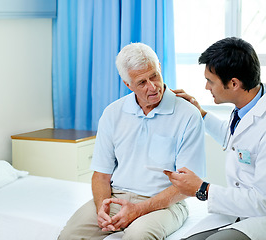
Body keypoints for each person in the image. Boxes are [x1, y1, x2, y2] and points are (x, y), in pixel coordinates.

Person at [58, 42, 206, 240]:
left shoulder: (188, 115)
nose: (152, 87)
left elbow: (187, 186)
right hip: (116, 197)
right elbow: (101, 175)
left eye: (154, 75)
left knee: (137, 236)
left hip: (165, 205)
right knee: (69, 236)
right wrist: (103, 207)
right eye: (141, 82)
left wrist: (137, 210)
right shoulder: (112, 113)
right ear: (128, 84)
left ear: (160, 67)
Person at [165, 37, 266, 240]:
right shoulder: (245, 108)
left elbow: (262, 201)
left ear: (234, 83)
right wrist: (201, 113)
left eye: (210, 81)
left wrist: (203, 188)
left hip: (261, 214)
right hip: (236, 209)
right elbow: (235, 142)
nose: (206, 87)